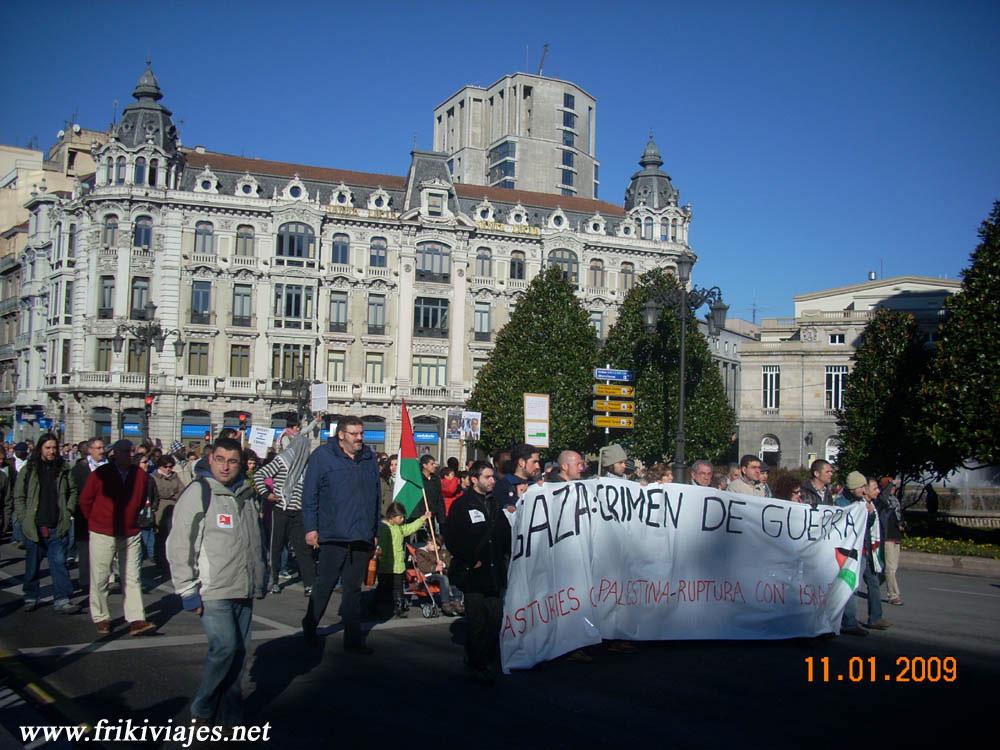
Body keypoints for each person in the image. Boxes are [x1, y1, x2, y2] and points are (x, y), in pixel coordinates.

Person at [167, 437, 265, 727]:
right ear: (210, 459)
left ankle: (231, 715)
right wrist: (187, 589)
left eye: (232, 461)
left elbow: (255, 539)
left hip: (243, 585)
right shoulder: (199, 492)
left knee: (239, 655)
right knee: (224, 648)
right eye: (220, 459)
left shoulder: (247, 494)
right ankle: (204, 707)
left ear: (241, 464)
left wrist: (261, 574)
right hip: (213, 588)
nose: (225, 466)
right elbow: (180, 543)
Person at [301, 416, 380, 653]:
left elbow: (375, 496)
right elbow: (310, 495)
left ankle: (353, 640)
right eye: (354, 434)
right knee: (324, 585)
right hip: (332, 534)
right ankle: (310, 625)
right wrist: (311, 528)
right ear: (341, 435)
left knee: (353, 590)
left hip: (360, 535)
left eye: (361, 433)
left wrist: (374, 530)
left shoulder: (369, 457)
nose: (359, 438)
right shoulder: (322, 457)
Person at [78, 439, 155, 636]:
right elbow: (85, 500)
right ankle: (101, 617)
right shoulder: (101, 474)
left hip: (130, 532)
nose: (129, 455)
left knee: (132, 577)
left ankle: (136, 619)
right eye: (125, 451)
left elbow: (141, 501)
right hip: (103, 532)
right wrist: (96, 521)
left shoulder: (140, 475)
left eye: (131, 451)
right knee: (101, 576)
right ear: (115, 454)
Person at [445, 461, 509, 684]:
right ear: (474, 479)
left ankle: (489, 659)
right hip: (473, 573)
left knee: (495, 620)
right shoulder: (462, 506)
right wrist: (470, 559)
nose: (492, 481)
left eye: (493, 477)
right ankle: (476, 663)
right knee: (477, 621)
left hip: (494, 572)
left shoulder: (496, 504)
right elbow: (452, 538)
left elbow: (505, 534)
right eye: (487, 477)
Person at [13, 433, 79, 614]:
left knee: (59, 564)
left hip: (57, 524)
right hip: (34, 526)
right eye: (48, 448)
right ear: (40, 449)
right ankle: (31, 596)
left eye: (54, 448)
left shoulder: (63, 468)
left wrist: (69, 510)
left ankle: (62, 599)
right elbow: (19, 496)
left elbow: (73, 491)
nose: (52, 451)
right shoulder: (29, 469)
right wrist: (23, 518)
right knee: (32, 566)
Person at [252, 430, 316, 597]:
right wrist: (267, 494)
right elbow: (259, 474)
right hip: (281, 510)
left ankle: (309, 584)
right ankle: (273, 581)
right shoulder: (282, 460)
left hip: (299, 512)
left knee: (303, 549)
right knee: (276, 546)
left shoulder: (307, 466)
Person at [835, 471, 889, 634]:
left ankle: (875, 617)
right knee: (852, 585)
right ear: (853, 487)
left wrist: (870, 514)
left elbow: (866, 525)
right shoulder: (842, 503)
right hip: (851, 551)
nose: (864, 490)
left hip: (866, 549)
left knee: (873, 583)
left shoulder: (862, 502)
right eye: (861, 487)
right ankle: (849, 622)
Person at [375, 502, 430, 617]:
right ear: (392, 516)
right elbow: (381, 546)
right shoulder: (385, 529)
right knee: (383, 589)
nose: (403, 519)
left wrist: (422, 519)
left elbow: (410, 528)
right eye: (400, 517)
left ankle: (399, 607)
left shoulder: (399, 528)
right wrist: (379, 554)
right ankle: (376, 607)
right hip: (386, 566)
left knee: (398, 588)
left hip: (398, 565)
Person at [413, 539, 463, 616]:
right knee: (443, 578)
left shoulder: (443, 552)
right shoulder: (421, 552)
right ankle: (445, 603)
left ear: (438, 547)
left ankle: (457, 600)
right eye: (429, 543)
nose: (428, 545)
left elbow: (449, 562)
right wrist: (435, 567)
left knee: (455, 576)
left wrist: (443, 564)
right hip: (429, 575)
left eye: (432, 544)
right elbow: (422, 566)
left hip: (443, 573)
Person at [150, 455, 183, 571]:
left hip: (174, 508)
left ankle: (170, 560)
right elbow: (159, 492)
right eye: (166, 466)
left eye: (170, 466)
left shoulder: (175, 476)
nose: (168, 469)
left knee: (172, 536)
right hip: (160, 510)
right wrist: (172, 493)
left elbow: (182, 490)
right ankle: (160, 561)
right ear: (160, 466)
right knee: (161, 536)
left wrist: (173, 494)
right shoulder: (153, 477)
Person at [877, 476, 905, 606]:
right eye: (891, 486)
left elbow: (898, 516)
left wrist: (902, 524)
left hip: (896, 536)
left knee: (892, 568)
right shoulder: (882, 500)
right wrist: (890, 484)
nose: (893, 488)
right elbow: (883, 496)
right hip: (887, 537)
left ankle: (874, 584)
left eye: (894, 486)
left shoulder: (895, 500)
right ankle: (893, 595)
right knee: (890, 568)